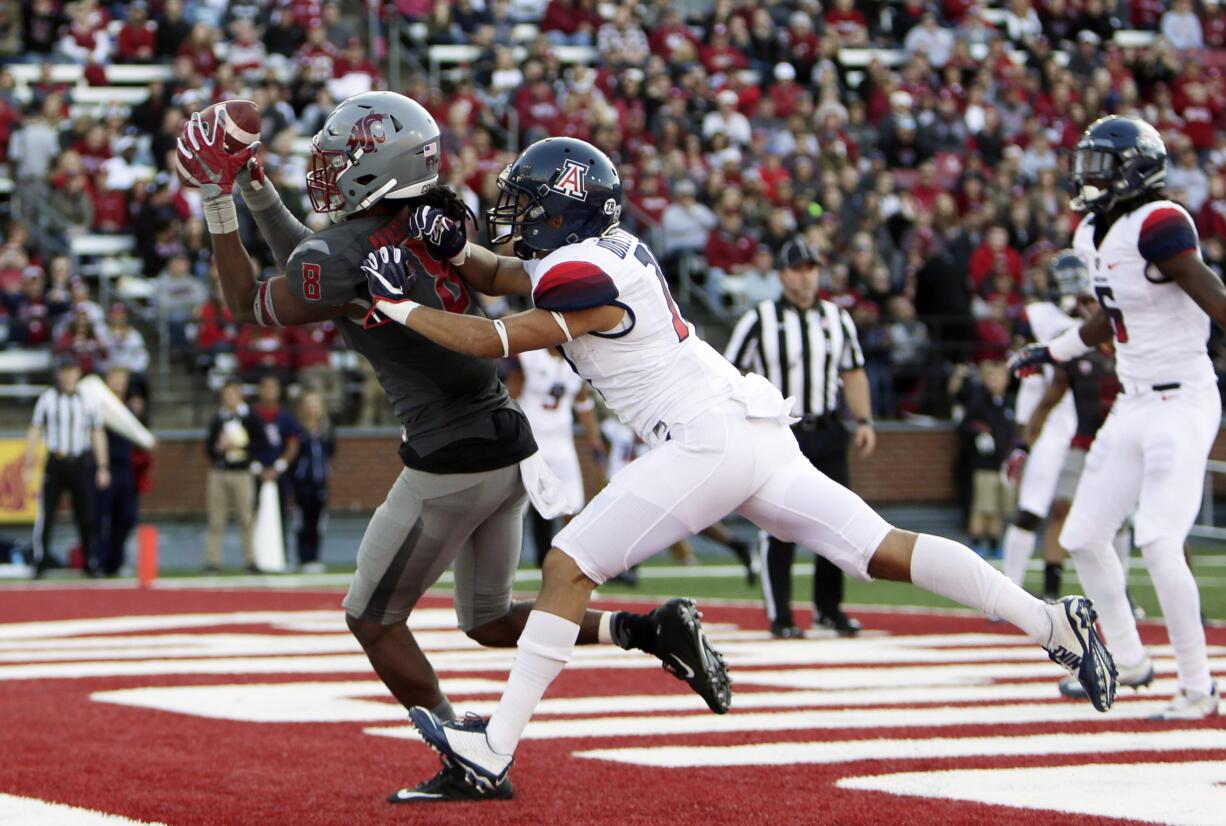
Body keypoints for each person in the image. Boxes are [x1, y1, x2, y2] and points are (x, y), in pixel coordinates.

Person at [359, 137, 1118, 796]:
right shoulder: (599, 255)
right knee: (881, 551)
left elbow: (492, 338)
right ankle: (1052, 622)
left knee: (567, 564)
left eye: (529, 206)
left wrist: (399, 306)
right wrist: (456, 254)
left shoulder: (580, 272)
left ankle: (491, 749)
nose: (517, 219)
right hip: (748, 430)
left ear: (566, 210)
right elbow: (503, 275)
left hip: (707, 438)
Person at [174, 92, 732, 803]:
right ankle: (645, 629)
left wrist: (219, 203)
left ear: (377, 168)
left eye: (343, 158)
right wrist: (253, 188)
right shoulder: (426, 219)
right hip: (504, 439)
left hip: (450, 455)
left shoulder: (344, 251)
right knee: (490, 620)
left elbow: (250, 302)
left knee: (371, 620)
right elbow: (317, 270)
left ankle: (462, 750)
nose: (328, 168)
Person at [1011, 115, 1223, 720]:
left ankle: (1198, 688)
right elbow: (1112, 313)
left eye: (1101, 164)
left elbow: (1206, 286)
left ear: (1134, 169)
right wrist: (1051, 351)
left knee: (1158, 539)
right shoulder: (1092, 232)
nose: (1089, 176)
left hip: (1182, 398)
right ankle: (1129, 661)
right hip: (1132, 401)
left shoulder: (1160, 222)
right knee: (1081, 535)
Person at [724, 238, 876, 638]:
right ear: (782, 274)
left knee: (838, 520)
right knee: (778, 524)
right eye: (798, 268)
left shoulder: (836, 317)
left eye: (811, 268)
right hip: (779, 433)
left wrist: (864, 420)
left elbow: (853, 371)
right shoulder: (760, 319)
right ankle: (782, 616)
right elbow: (727, 374)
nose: (806, 276)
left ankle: (829, 608)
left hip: (827, 429)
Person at [1001, 253, 1080, 599]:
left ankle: (1058, 591)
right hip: (1046, 420)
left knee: (1110, 517)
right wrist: (1022, 436)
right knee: (1032, 508)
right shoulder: (1035, 316)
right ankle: (1007, 591)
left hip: (1088, 420)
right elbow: (1021, 369)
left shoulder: (1099, 316)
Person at [505, 347, 604, 566]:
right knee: (515, 505)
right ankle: (502, 562)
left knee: (573, 504)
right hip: (530, 440)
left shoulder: (574, 360)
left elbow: (583, 402)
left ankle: (572, 562)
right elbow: (511, 395)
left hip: (561, 441)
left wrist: (594, 438)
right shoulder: (529, 357)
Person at [24, 354, 109, 577]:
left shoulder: (88, 400)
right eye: (64, 371)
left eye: (72, 370)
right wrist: (29, 462)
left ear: (78, 373)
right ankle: (40, 560)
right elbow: (35, 429)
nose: (68, 375)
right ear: (58, 374)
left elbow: (97, 432)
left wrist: (103, 466)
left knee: (86, 514)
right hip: (56, 461)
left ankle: (90, 560)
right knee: (46, 514)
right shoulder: (48, 399)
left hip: (80, 461)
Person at [204, 379, 265, 573]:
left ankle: (251, 560)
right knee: (216, 519)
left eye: (233, 394)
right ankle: (212, 561)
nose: (230, 398)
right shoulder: (218, 419)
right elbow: (208, 449)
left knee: (246, 518)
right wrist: (219, 448)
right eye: (226, 394)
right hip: (220, 472)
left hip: (242, 473)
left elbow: (261, 443)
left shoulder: (251, 417)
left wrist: (240, 447)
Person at [95, 367, 142, 576]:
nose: (119, 382)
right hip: (105, 465)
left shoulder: (130, 407)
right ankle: (100, 560)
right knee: (102, 514)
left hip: (125, 465)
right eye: (115, 378)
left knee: (127, 515)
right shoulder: (101, 406)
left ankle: (116, 560)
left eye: (123, 378)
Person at [291, 390, 334, 573]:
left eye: (316, 404)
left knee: (318, 521)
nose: (313, 408)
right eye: (310, 404)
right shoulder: (298, 430)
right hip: (302, 481)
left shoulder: (326, 430)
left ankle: (315, 556)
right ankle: (304, 557)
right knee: (302, 520)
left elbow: (330, 452)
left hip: (320, 481)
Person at [250, 374, 300, 530]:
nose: (269, 391)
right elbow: (244, 444)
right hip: (254, 473)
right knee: (253, 514)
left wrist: (278, 467)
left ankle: (281, 551)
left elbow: (293, 445)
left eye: (272, 387)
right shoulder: (251, 416)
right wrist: (257, 468)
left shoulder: (286, 417)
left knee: (280, 515)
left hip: (279, 474)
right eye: (265, 387)